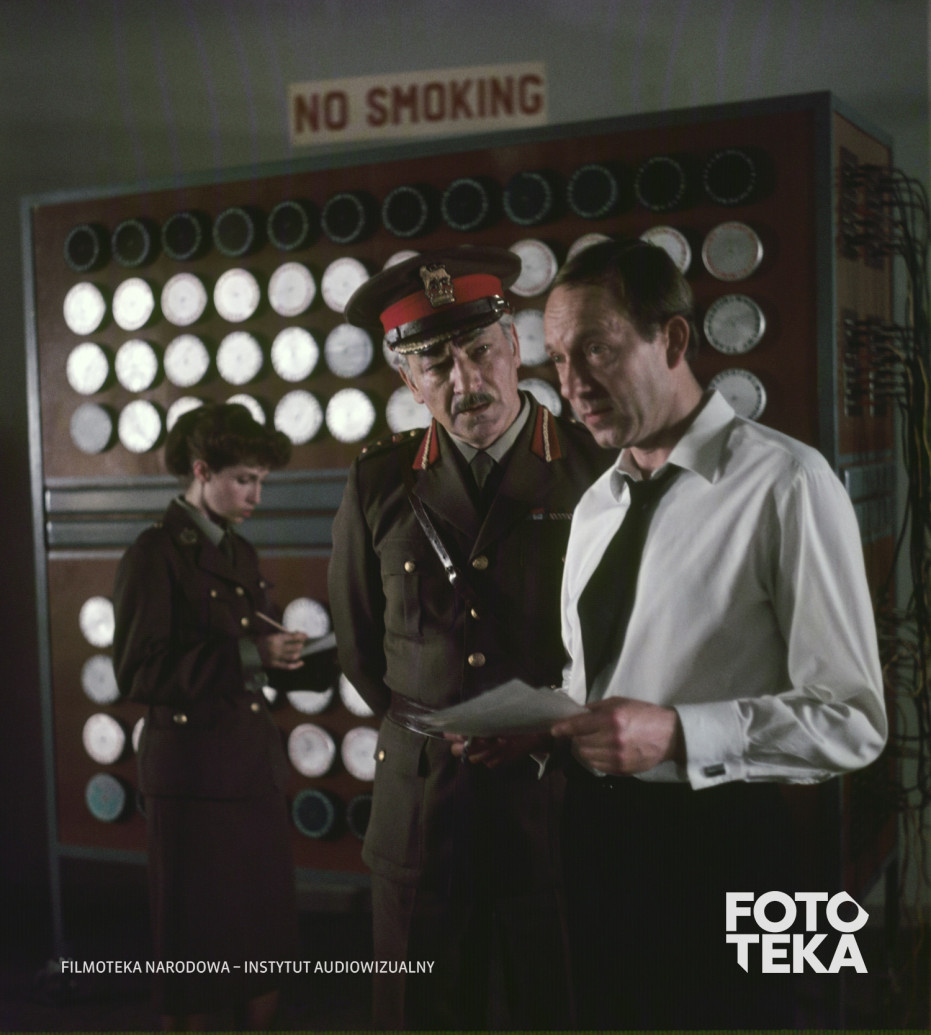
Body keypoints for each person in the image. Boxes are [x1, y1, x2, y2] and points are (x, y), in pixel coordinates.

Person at [542, 238, 888, 1029]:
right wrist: (543, 723)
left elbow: (855, 721)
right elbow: (597, 677)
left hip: (732, 841)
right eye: (558, 359)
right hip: (597, 837)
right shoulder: (596, 504)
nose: (572, 385)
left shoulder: (789, 481)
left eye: (595, 349)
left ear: (671, 339)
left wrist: (676, 733)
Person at [327, 245, 610, 1029]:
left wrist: (551, 729)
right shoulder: (379, 481)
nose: (465, 380)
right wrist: (438, 719)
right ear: (406, 379)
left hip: (553, 804)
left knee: (555, 1009)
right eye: (434, 363)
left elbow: (626, 641)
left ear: (514, 346)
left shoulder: (595, 468)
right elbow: (359, 644)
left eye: (480, 350)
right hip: (422, 809)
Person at [112, 403, 307, 1031]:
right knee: (194, 958)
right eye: (244, 479)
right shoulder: (155, 552)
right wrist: (250, 654)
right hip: (192, 780)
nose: (256, 495)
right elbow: (138, 673)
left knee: (263, 943)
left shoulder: (238, 551)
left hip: (248, 770)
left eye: (261, 481)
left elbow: (243, 653)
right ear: (201, 471)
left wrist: (290, 658)